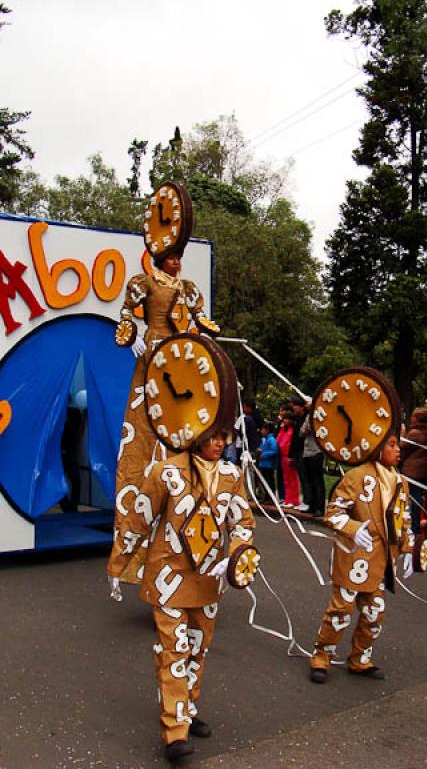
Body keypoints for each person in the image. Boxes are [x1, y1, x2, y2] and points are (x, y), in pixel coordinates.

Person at [107, 429, 256, 763]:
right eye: (214, 436)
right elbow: (138, 519)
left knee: (197, 648)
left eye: (226, 437)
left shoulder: (232, 475)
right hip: (168, 577)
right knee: (174, 651)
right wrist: (117, 566)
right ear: (194, 435)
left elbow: (243, 523)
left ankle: (186, 709)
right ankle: (175, 731)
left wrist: (233, 556)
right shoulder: (165, 471)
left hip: (208, 578)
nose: (221, 443)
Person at [114, 248, 209, 582]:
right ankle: (134, 555)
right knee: (146, 428)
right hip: (154, 352)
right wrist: (135, 334)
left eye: (179, 257)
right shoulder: (146, 283)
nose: (177, 262)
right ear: (160, 260)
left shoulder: (188, 287)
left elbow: (202, 320)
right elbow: (126, 312)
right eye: (172, 258)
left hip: (181, 355)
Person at [309, 432, 414, 683]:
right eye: (392, 445)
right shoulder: (355, 477)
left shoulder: (400, 481)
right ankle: (322, 656)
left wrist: (408, 548)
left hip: (381, 558)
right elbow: (333, 512)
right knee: (341, 609)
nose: (398, 449)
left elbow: (404, 518)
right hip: (353, 556)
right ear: (377, 448)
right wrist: (353, 529)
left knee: (374, 612)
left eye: (397, 444)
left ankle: (360, 658)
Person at [399, 407, 427, 534]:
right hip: (425, 468)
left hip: (413, 469)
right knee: (417, 496)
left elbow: (403, 446)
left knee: (412, 497)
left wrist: (402, 433)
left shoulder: (415, 433)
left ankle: (413, 525)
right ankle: (415, 523)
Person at [300, 410, 326, 517]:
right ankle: (312, 505)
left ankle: (320, 507)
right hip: (307, 451)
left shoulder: (321, 415)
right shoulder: (308, 415)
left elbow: (312, 428)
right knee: (309, 479)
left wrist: (307, 428)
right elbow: (302, 431)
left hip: (316, 451)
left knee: (317, 480)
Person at [276, 411, 302, 508]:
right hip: (283, 456)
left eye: (287, 419)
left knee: (292, 478)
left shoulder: (293, 430)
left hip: (289, 456)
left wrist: (292, 456)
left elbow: (292, 443)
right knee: (286, 478)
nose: (285, 421)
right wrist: (282, 429)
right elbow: (278, 441)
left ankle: (294, 500)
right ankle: (288, 498)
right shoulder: (285, 430)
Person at [256, 421, 279, 501]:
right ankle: (266, 497)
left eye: (263, 430)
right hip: (263, 464)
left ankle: (271, 498)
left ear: (267, 430)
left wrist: (263, 454)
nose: (261, 431)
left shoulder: (271, 440)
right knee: (264, 482)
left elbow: (274, 451)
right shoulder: (265, 439)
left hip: (269, 464)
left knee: (269, 482)